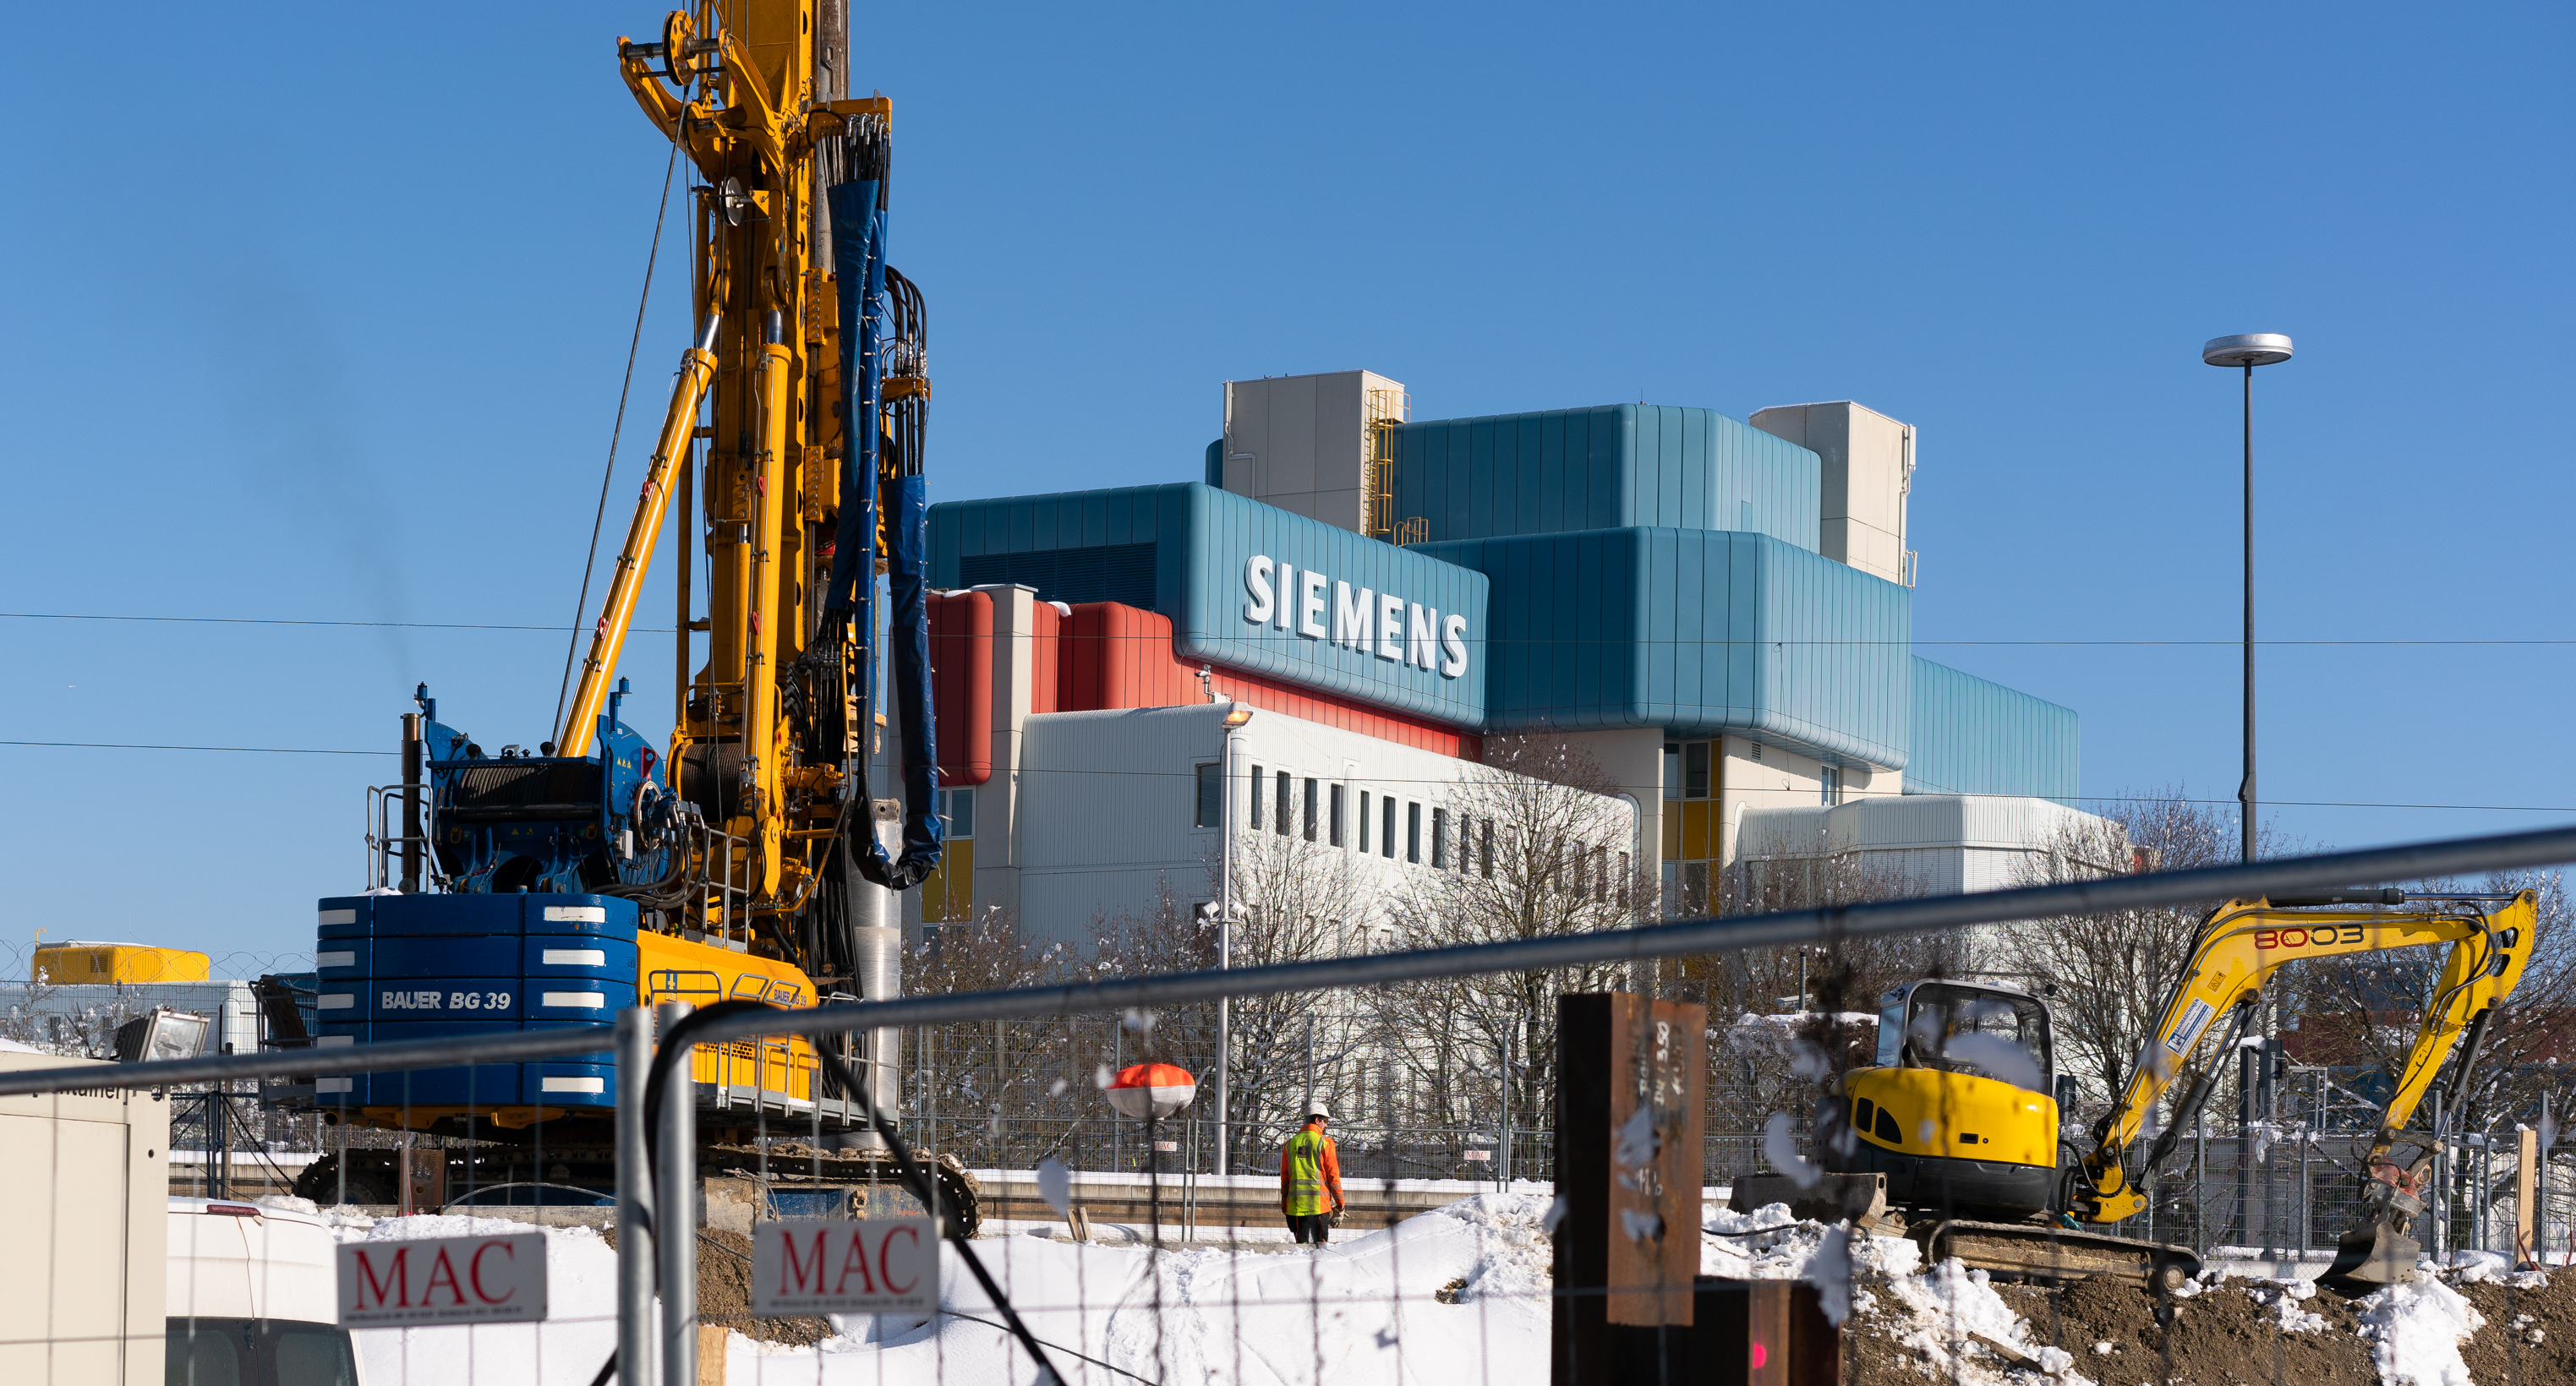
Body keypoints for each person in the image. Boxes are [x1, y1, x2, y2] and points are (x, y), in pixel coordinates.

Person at [1279, 1103, 1344, 1245]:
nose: (1326, 1125)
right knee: (1320, 1248)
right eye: (1325, 1121)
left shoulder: (1290, 1144)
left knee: (1300, 1248)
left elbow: (1285, 1178)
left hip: (1296, 1207)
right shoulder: (1325, 1143)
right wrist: (1340, 1204)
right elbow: (1333, 1177)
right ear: (1317, 1120)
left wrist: (1285, 1203)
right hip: (1319, 1207)